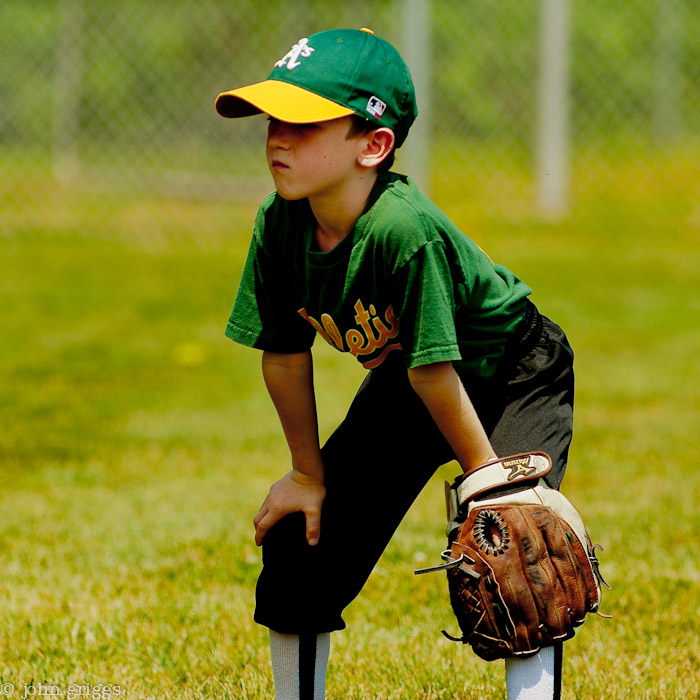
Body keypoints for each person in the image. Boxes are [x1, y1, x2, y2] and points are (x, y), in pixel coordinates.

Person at [216, 28, 574, 700]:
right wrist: (306, 473)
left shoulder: (401, 228)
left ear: (373, 145)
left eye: (303, 122)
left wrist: (488, 480)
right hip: (412, 382)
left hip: (511, 370)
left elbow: (437, 370)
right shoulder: (280, 225)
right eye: (272, 120)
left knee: (519, 546)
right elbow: (286, 359)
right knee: (301, 542)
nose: (276, 138)